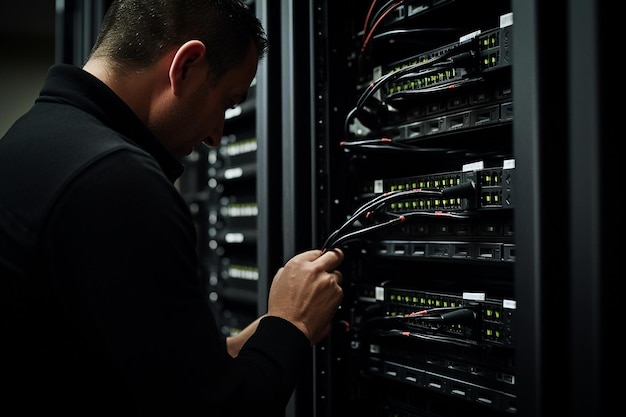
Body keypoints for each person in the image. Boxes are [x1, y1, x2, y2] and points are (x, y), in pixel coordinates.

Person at [0, 1, 344, 416]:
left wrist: (244, 348)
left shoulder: (34, 139)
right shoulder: (116, 180)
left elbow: (104, 358)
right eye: (227, 103)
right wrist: (293, 324)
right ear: (187, 65)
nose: (217, 135)